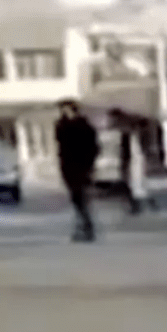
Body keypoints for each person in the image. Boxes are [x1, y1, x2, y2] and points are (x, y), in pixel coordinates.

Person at [54, 100, 100, 242]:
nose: (63, 112)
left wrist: (89, 165)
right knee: (76, 199)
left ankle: (87, 227)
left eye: (66, 109)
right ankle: (84, 226)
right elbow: (60, 145)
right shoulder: (61, 125)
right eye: (62, 110)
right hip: (68, 167)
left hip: (82, 167)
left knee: (81, 198)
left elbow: (94, 147)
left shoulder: (84, 127)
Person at [116, 112, 157, 215]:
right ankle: (144, 205)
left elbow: (127, 152)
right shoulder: (131, 136)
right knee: (137, 185)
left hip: (136, 161)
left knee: (137, 185)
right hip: (135, 161)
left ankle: (140, 206)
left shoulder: (135, 135)